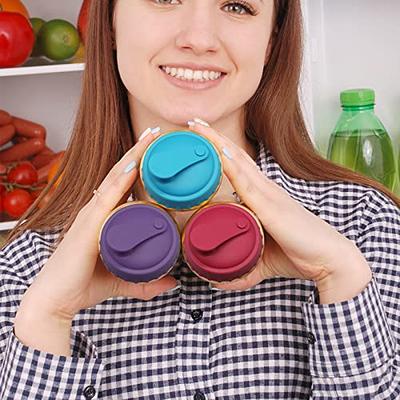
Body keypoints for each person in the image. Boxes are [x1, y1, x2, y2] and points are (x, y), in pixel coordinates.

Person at [0, 0, 399, 398]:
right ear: (110, 22)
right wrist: (48, 321)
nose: (199, 38)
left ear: (271, 42)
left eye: (238, 6)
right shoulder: (26, 270)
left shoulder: (365, 227)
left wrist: (339, 280)